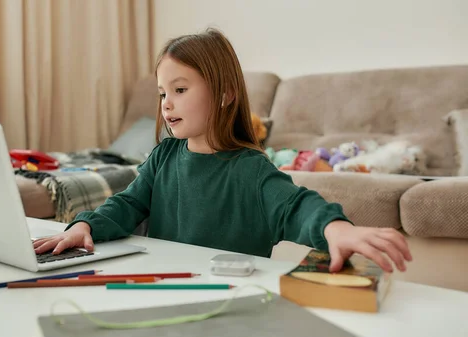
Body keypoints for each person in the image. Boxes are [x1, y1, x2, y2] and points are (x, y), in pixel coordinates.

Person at [34, 28, 412, 273]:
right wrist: (84, 225)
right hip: (163, 287)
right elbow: (127, 204)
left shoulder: (251, 170)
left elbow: (297, 206)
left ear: (225, 94)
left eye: (180, 90)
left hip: (229, 301)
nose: (166, 103)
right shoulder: (164, 157)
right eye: (163, 93)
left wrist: (336, 228)